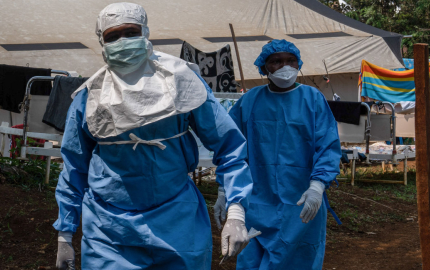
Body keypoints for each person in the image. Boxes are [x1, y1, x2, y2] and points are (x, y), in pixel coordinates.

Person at [53, 3, 253, 269]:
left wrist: (237, 211)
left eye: (130, 32)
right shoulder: (91, 97)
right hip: (109, 231)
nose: (122, 41)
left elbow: (229, 146)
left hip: (177, 223)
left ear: (145, 32)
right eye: (113, 36)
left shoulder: (182, 81)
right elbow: (74, 166)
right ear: (102, 42)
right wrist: (65, 234)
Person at [214, 39, 341, 269]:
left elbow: (328, 146)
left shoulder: (313, 100)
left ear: (299, 63)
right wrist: (225, 190)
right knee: (253, 257)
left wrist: (317, 186)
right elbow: (231, 149)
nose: (285, 66)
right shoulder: (249, 102)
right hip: (256, 201)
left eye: (291, 61)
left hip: (301, 201)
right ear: (264, 67)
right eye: (276, 61)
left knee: (299, 258)